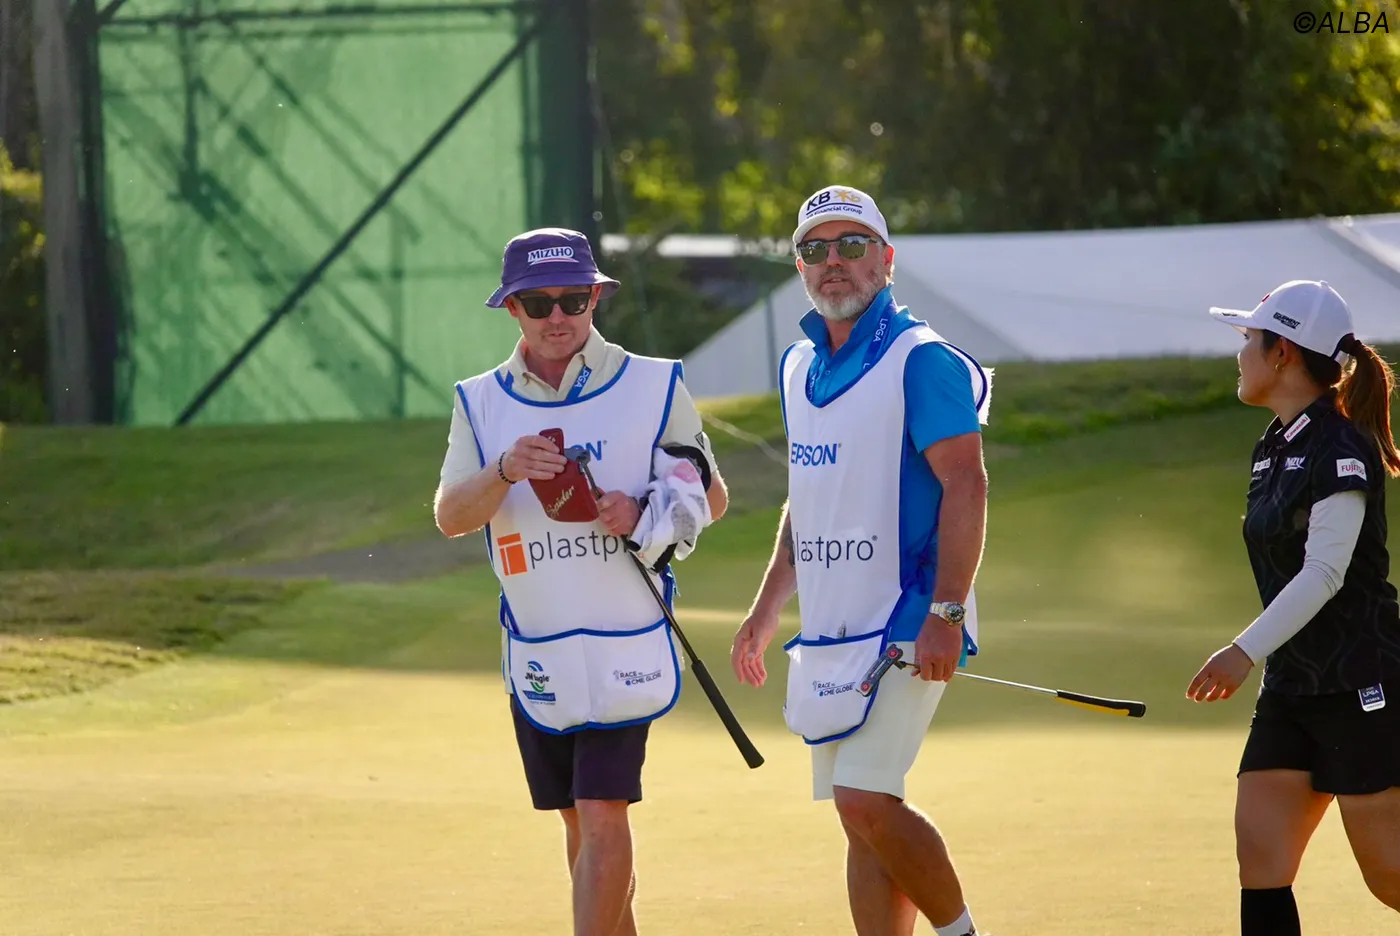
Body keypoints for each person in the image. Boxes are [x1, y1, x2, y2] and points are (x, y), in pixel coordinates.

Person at [433, 227, 729, 936]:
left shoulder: (654, 383)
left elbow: (710, 495)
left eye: (573, 299)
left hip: (627, 635)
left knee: (601, 812)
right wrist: (504, 469)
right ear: (512, 309)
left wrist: (642, 511)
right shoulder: (480, 401)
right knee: (578, 822)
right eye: (538, 303)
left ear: (596, 298)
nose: (557, 316)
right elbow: (451, 516)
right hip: (539, 647)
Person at [729, 185, 991, 936]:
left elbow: (966, 484)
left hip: (911, 613)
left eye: (851, 245)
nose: (833, 261)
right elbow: (807, 498)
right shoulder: (798, 366)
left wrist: (947, 612)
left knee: (864, 798)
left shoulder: (922, 359)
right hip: (833, 625)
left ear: (886, 259)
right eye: (814, 249)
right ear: (799, 266)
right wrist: (766, 609)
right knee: (859, 815)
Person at [1186, 280, 1400, 934]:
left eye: (1249, 339)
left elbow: (1325, 573)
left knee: (1390, 873)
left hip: (1360, 680)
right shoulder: (1274, 445)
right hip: (1293, 686)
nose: (1239, 353)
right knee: (1261, 855)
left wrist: (1242, 650)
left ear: (1282, 353)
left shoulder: (1341, 447)